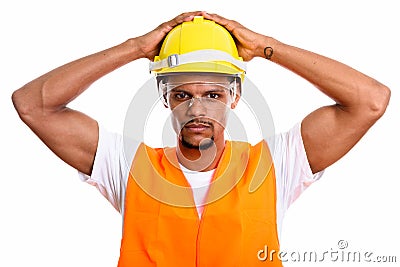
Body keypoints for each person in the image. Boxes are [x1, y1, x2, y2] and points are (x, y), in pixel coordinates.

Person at [11, 11, 390, 266]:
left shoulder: (276, 163)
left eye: (212, 95)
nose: (197, 110)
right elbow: (33, 105)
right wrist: (137, 48)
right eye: (182, 95)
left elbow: (370, 100)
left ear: (234, 98)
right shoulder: (127, 165)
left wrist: (263, 47)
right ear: (165, 100)